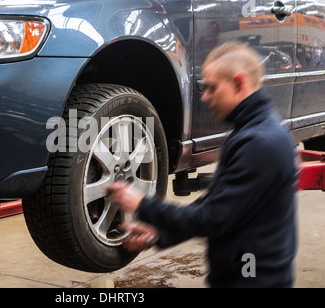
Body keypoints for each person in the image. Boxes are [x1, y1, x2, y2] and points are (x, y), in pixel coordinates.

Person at [109, 41, 299, 288]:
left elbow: (213, 218)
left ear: (239, 83)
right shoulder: (251, 133)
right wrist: (159, 233)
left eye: (212, 87)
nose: (205, 97)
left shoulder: (261, 144)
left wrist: (141, 204)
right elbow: (219, 205)